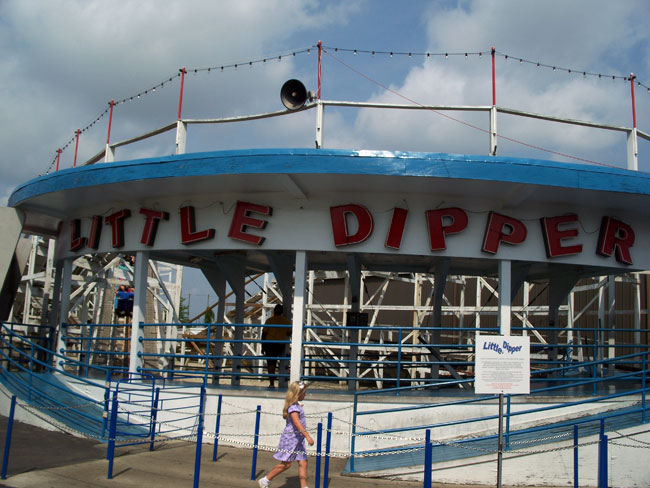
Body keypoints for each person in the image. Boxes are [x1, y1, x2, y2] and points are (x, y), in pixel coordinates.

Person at [258, 381, 314, 488]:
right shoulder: (293, 408)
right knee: (286, 464)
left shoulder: (296, 406)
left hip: (298, 440)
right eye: (304, 393)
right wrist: (307, 436)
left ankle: (304, 486)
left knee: (303, 462)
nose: (305, 395)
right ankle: (265, 480)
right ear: (298, 394)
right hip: (291, 439)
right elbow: (297, 423)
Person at [261, 304, 291, 388]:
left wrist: (263, 346)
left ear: (274, 311)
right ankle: (282, 382)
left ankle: (271, 383)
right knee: (282, 362)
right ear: (282, 312)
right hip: (281, 345)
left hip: (269, 344)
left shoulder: (269, 320)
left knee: (271, 364)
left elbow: (264, 334)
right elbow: (289, 333)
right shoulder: (286, 321)